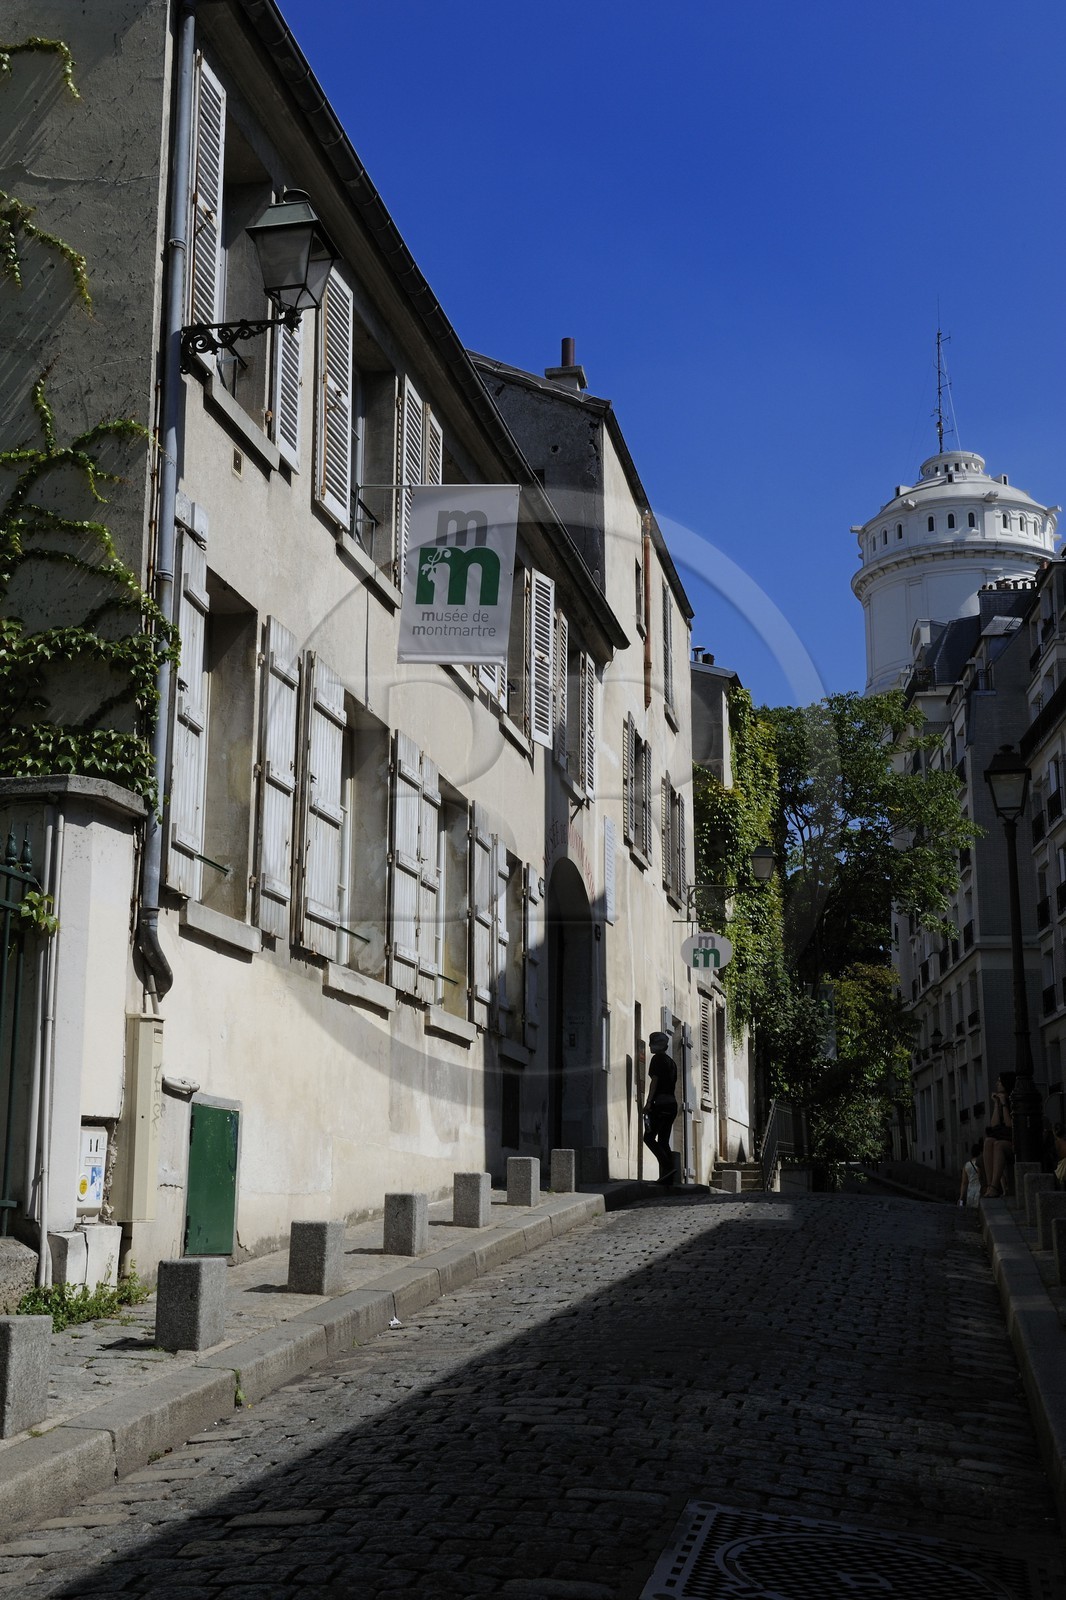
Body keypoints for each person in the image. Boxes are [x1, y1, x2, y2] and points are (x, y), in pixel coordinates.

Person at [643, 1031, 678, 1185]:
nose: (649, 1045)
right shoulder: (671, 1062)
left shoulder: (657, 1059)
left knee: (649, 1137)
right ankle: (668, 1177)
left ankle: (668, 1167)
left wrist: (649, 1102)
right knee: (663, 1141)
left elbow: (654, 1082)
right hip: (672, 1104)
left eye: (651, 1042)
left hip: (660, 1104)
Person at [982, 1072, 1016, 1198]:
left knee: (997, 1145)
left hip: (1012, 1141)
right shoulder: (1000, 1100)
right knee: (988, 1142)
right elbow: (994, 1125)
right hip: (1002, 1138)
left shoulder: (1014, 1100)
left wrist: (1003, 1104)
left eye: (1000, 1081)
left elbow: (1009, 1124)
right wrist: (996, 1104)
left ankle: (995, 1186)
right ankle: (990, 1184)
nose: (997, 1083)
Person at [958, 1140, 983, 1208]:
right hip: (980, 1190)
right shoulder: (982, 1163)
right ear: (980, 1152)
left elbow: (964, 1183)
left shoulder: (966, 1165)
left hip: (970, 1192)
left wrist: (961, 1197)